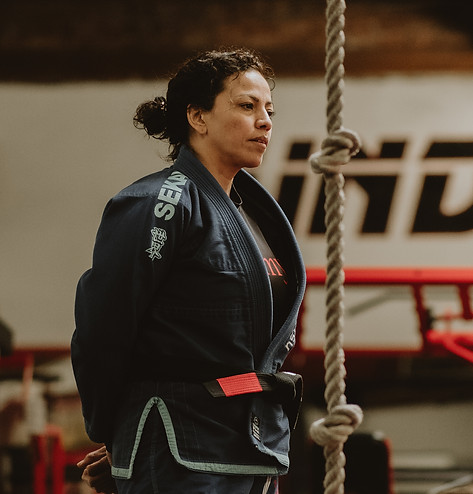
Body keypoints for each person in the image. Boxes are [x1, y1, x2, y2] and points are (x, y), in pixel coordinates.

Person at [71, 47, 306, 494]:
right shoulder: (157, 204)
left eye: (269, 110)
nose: (264, 121)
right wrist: (116, 431)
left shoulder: (253, 215)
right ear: (197, 117)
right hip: (181, 445)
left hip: (251, 446)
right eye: (246, 106)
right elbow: (104, 328)